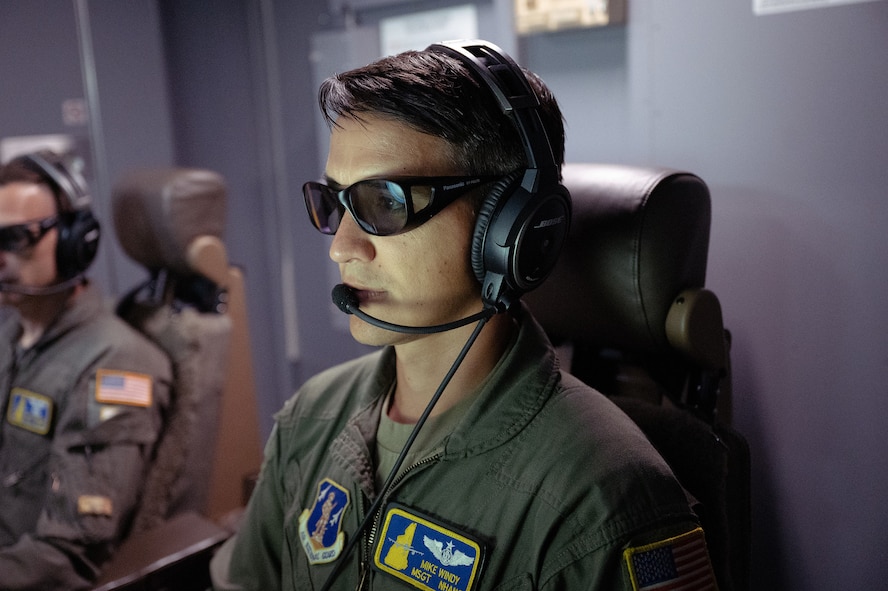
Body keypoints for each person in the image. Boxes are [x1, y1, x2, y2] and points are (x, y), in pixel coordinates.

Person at [211, 40, 717, 590]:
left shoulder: (604, 502)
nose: (342, 247)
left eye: (385, 201)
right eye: (336, 202)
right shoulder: (312, 417)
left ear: (507, 231)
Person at [0, 150, 172, 590]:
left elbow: (67, 555)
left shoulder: (116, 365)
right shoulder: (9, 337)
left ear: (79, 241)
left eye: (15, 238)